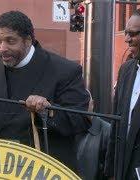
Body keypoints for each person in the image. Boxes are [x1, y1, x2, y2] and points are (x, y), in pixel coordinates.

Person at [0, 10, 90, 173]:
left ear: (28, 40)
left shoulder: (65, 71)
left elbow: (80, 120)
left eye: (10, 41)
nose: (2, 48)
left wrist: (49, 111)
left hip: (43, 170)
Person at [105, 9, 140, 180]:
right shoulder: (126, 70)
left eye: (133, 34)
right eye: (126, 33)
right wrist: (111, 171)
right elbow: (116, 125)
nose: (127, 39)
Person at [75, 91, 110, 179]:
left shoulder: (107, 131)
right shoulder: (68, 129)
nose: (82, 106)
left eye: (85, 101)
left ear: (92, 104)